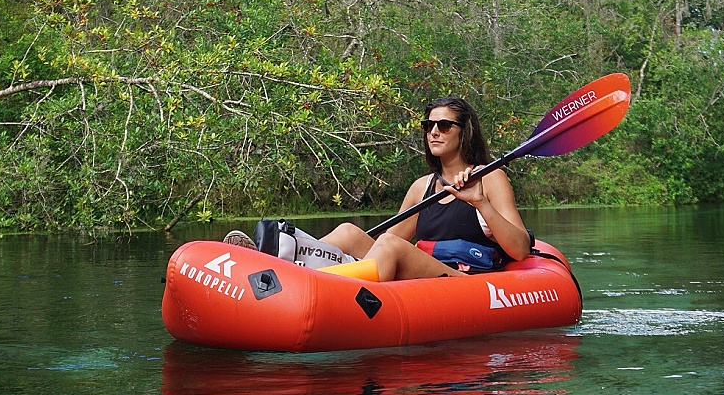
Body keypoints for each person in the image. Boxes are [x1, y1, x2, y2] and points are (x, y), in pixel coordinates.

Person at [226, 96, 531, 282]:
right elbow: (376, 248)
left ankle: (306, 279)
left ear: (464, 132)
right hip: (428, 269)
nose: (434, 131)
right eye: (428, 125)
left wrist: (481, 204)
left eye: (444, 126)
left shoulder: (490, 178)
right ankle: (282, 260)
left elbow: (519, 248)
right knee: (348, 231)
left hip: (466, 279)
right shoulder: (421, 187)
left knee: (391, 245)